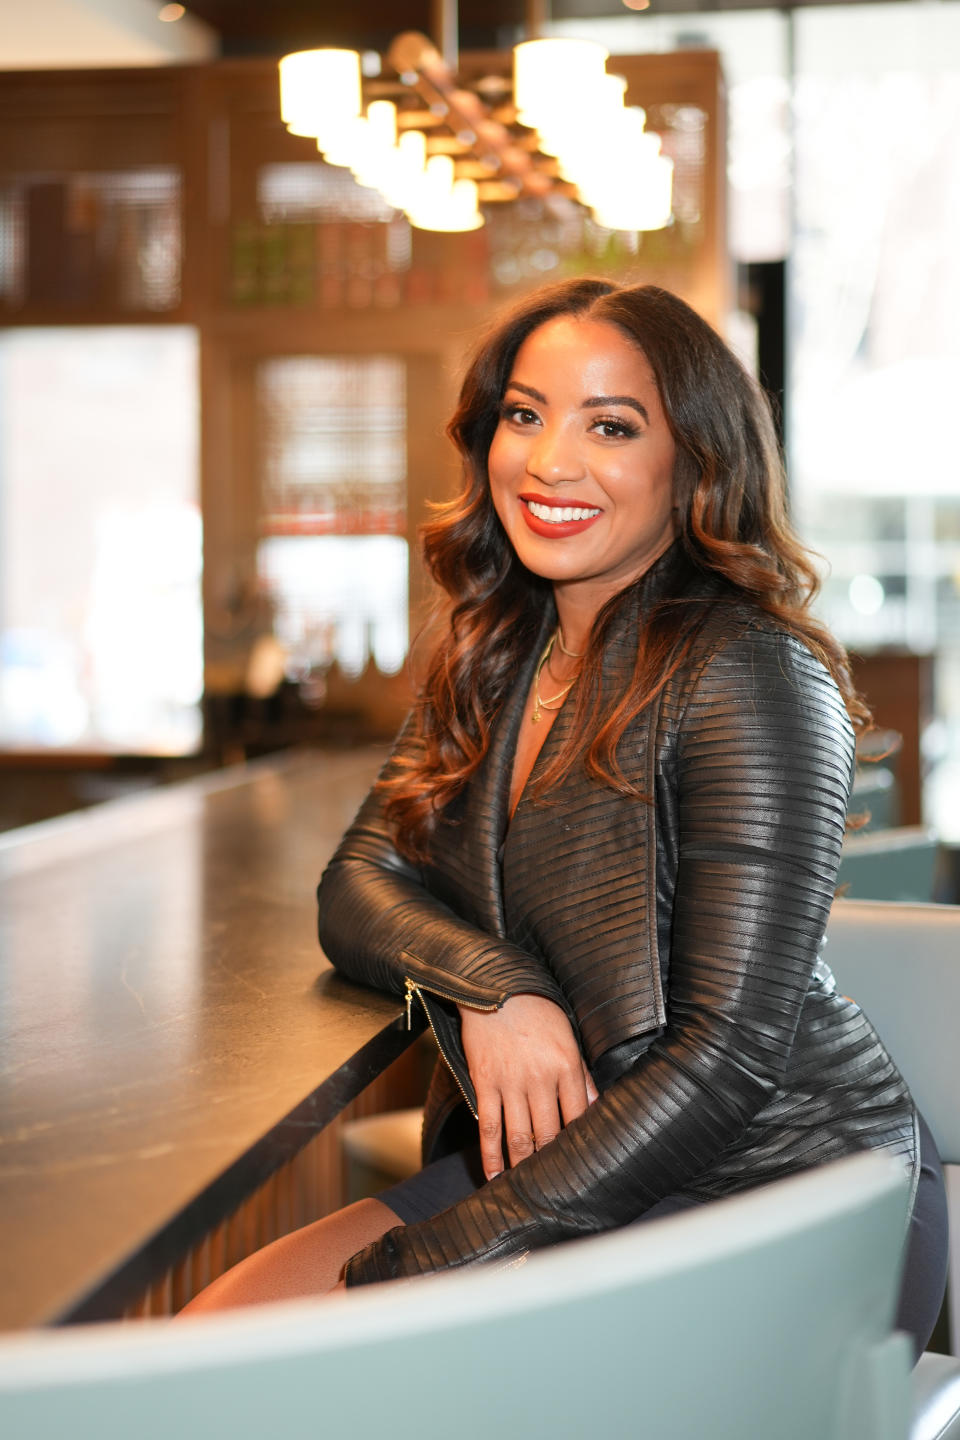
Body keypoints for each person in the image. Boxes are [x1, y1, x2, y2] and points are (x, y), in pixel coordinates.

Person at [182, 278, 947, 1352]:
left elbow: (725, 1059)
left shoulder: (754, 671)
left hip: (782, 1199)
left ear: (694, 463)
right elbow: (356, 887)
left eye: (612, 426)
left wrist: (437, 1260)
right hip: (572, 1166)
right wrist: (495, 990)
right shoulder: (499, 653)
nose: (548, 463)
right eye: (526, 414)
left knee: (312, 1374)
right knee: (218, 1334)